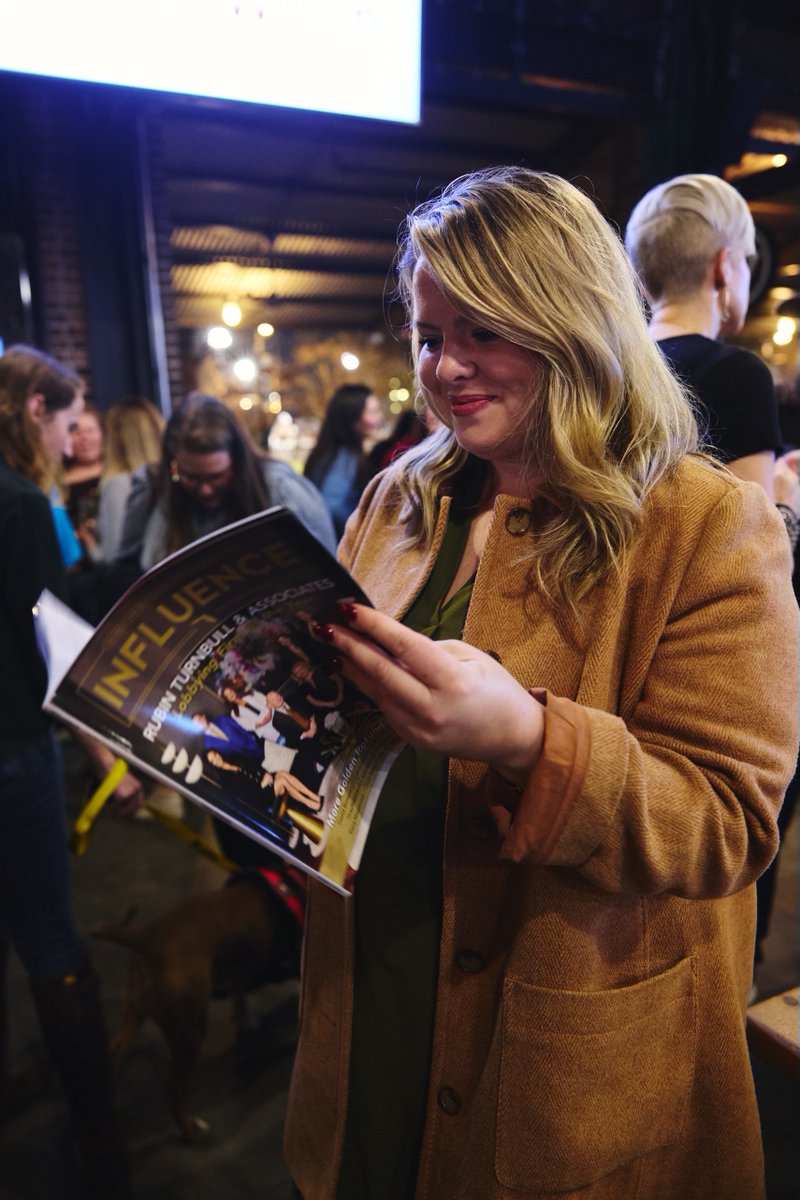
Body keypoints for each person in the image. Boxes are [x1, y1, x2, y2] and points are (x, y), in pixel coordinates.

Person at [282, 169, 798, 1200]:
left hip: (555, 1023)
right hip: (374, 978)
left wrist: (526, 738)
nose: (446, 369)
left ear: (569, 319)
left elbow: (726, 821)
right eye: (429, 337)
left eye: (483, 332)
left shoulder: (700, 521)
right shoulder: (398, 496)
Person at [625, 173, 800, 984]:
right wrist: (789, 503)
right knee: (733, 848)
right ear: (728, 268)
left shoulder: (616, 376)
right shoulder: (738, 375)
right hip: (718, 661)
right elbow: (754, 558)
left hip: (630, 644)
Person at [0, 345, 130, 1198]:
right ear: (35, 413)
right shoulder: (15, 504)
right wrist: (108, 760)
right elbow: (54, 647)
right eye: (69, 416)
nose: (74, 435)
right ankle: (103, 1154)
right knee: (50, 939)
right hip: (12, 751)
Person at [117, 391, 336, 569]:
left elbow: (329, 570)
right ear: (172, 464)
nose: (205, 490)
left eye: (217, 477)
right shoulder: (153, 487)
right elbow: (123, 568)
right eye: (190, 477)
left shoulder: (282, 488)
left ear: (238, 463)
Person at [303, 384, 384, 537]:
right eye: (372, 412)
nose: (379, 417)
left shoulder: (326, 453)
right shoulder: (345, 458)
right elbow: (333, 508)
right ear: (352, 418)